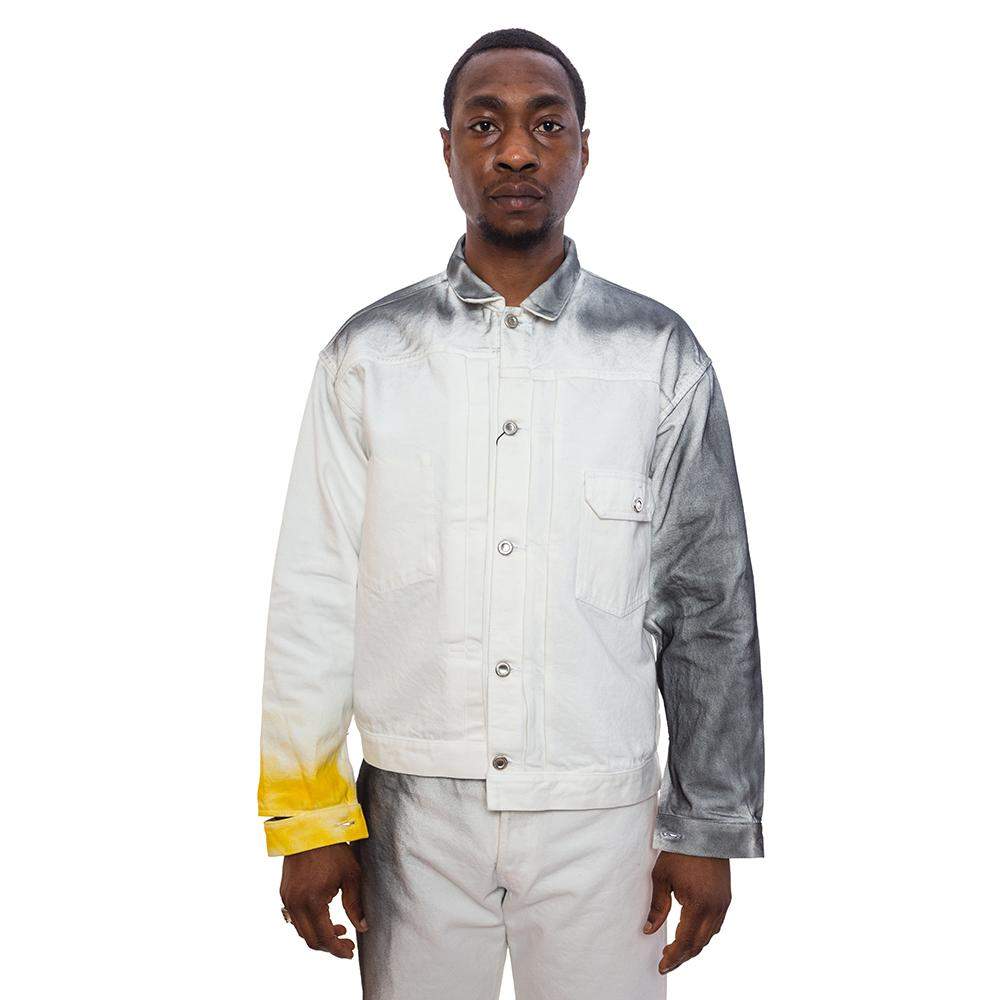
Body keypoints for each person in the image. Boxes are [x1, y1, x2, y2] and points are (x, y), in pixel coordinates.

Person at [257, 26, 764, 1000]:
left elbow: (711, 605)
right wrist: (307, 821)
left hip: (602, 817)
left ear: (584, 149)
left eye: (547, 125)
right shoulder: (369, 355)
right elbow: (314, 591)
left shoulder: (657, 354)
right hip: (411, 817)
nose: (518, 152)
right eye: (485, 125)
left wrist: (707, 824)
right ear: (447, 147)